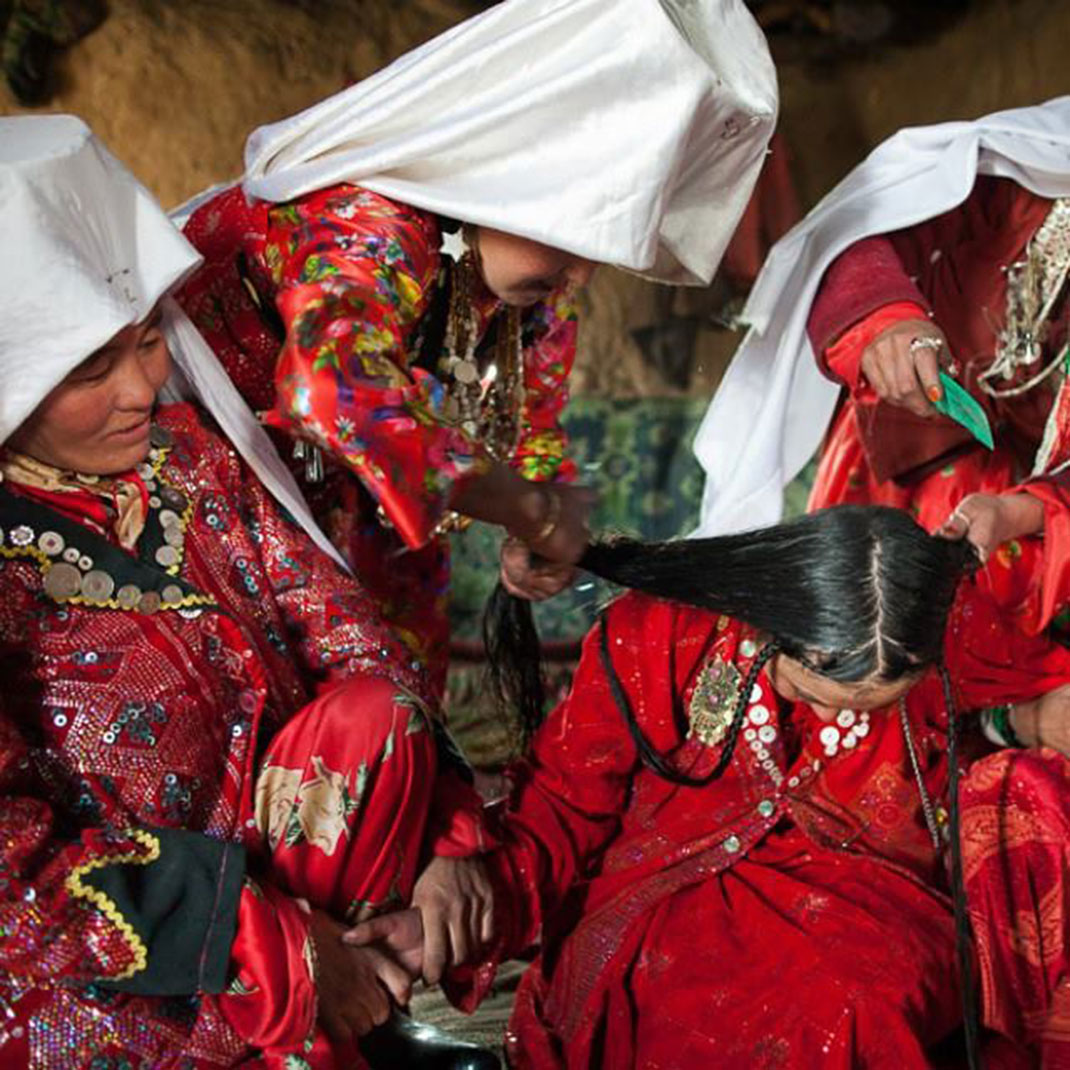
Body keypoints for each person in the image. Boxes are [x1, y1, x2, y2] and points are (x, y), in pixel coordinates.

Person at [0, 114, 500, 1069]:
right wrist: (262, 946)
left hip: (308, 910)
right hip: (109, 997)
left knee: (374, 711)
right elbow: (11, 875)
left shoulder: (191, 462)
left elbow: (345, 636)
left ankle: (344, 1014)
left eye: (148, 342)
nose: (144, 389)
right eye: (88, 371)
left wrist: (446, 831)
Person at [176, 0, 778, 697]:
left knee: (400, 696)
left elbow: (532, 429)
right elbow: (334, 394)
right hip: (206, 488)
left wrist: (534, 523)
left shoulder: (538, 293)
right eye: (578, 241)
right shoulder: (366, 221)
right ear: (501, 177)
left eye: (607, 253)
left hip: (346, 504)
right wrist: (526, 509)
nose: (581, 276)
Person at [346, 495, 1070, 1068]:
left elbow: (992, 733)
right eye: (813, 694)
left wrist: (1026, 722)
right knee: (677, 1005)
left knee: (855, 1009)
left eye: (867, 706)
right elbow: (564, 805)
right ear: (770, 629)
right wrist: (475, 910)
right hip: (672, 890)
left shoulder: (950, 627)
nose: (826, 715)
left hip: (874, 899)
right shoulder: (660, 632)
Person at [692, 97, 1070, 541]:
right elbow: (861, 232)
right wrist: (888, 321)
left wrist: (1021, 513)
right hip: (910, 465)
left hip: (1042, 522)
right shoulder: (1021, 182)